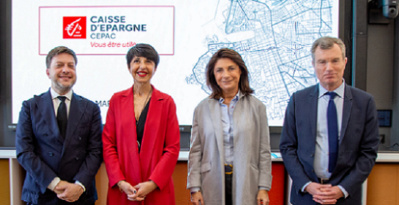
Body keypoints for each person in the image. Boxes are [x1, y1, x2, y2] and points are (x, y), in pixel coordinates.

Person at [279, 36, 380, 205]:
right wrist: (307, 185)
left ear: (345, 62)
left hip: (345, 197)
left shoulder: (364, 102)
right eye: (322, 62)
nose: (329, 68)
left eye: (335, 61)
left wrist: (342, 189)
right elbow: (287, 147)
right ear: (314, 65)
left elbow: (368, 152)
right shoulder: (298, 100)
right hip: (306, 196)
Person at [15, 46, 103, 205]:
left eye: (71, 66)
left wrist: (79, 185)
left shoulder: (91, 108)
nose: (66, 70)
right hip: (41, 193)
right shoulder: (30, 106)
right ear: (48, 72)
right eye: (59, 65)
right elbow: (24, 151)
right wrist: (55, 184)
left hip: (80, 195)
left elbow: (95, 151)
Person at [187, 48, 272, 205]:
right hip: (211, 181)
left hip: (247, 181)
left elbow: (264, 151)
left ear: (240, 71)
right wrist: (195, 188)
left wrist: (263, 187)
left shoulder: (257, 107)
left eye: (231, 68)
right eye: (219, 70)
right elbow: (195, 152)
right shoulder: (202, 108)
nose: (225, 75)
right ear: (214, 75)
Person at [102, 43, 180, 204]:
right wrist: (120, 181)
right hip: (124, 187)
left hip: (156, 188)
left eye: (148, 61)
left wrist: (153, 183)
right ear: (128, 66)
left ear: (155, 67)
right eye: (137, 61)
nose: (142, 66)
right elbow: (108, 144)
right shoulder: (117, 100)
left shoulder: (166, 102)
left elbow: (172, 148)